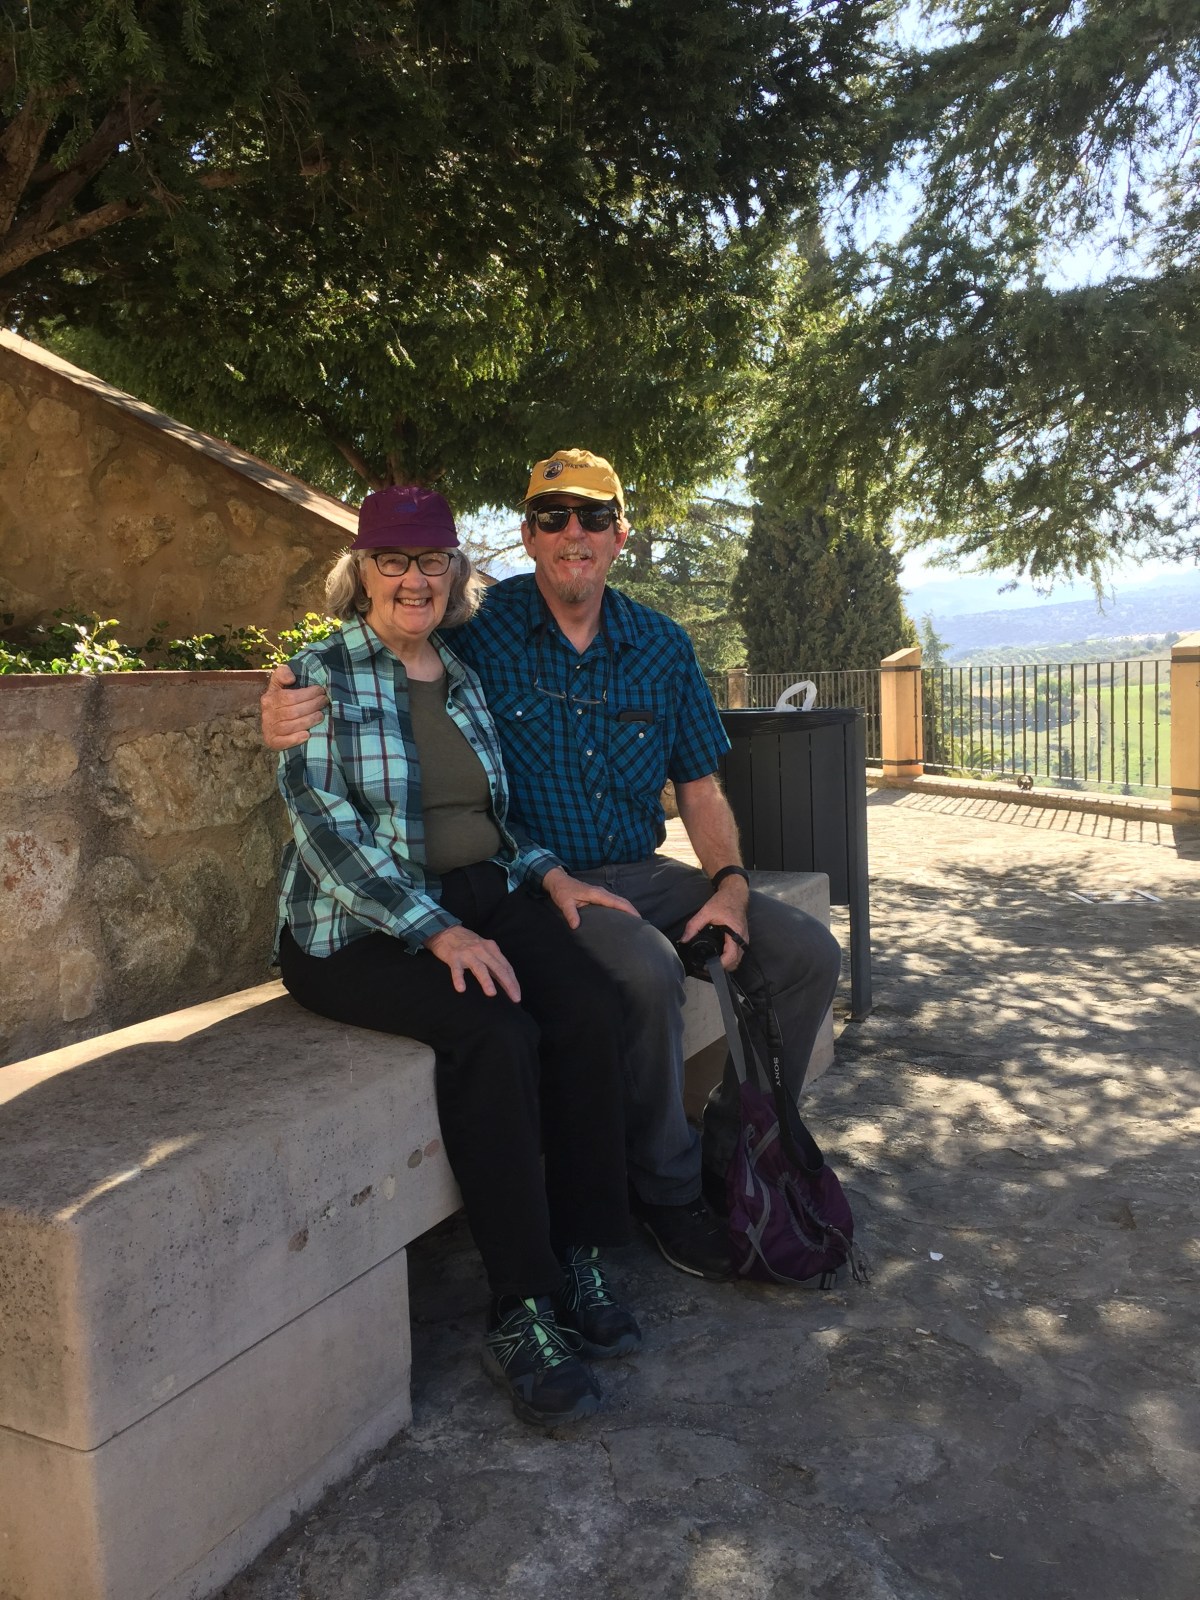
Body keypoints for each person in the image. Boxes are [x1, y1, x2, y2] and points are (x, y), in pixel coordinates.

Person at [264, 451, 842, 1282]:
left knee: (807, 955)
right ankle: (666, 1194)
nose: (575, 533)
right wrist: (276, 704)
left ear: (621, 536)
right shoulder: (482, 633)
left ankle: (726, 1150)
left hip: (636, 870)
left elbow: (701, 785)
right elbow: (377, 652)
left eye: (594, 516)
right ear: (528, 535)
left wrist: (730, 887)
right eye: (553, 517)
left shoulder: (660, 645)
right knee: (639, 975)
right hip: (536, 882)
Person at [274, 482, 644, 1429]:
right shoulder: (318, 674)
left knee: (593, 1007)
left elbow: (492, 818)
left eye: (431, 562)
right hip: (356, 925)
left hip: (485, 891)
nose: (413, 580)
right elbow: (323, 828)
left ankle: (587, 1252)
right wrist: (433, 929)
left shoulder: (464, 676)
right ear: (358, 572)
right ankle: (521, 1305)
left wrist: (548, 872)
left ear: (454, 573)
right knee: (494, 1034)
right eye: (392, 561)